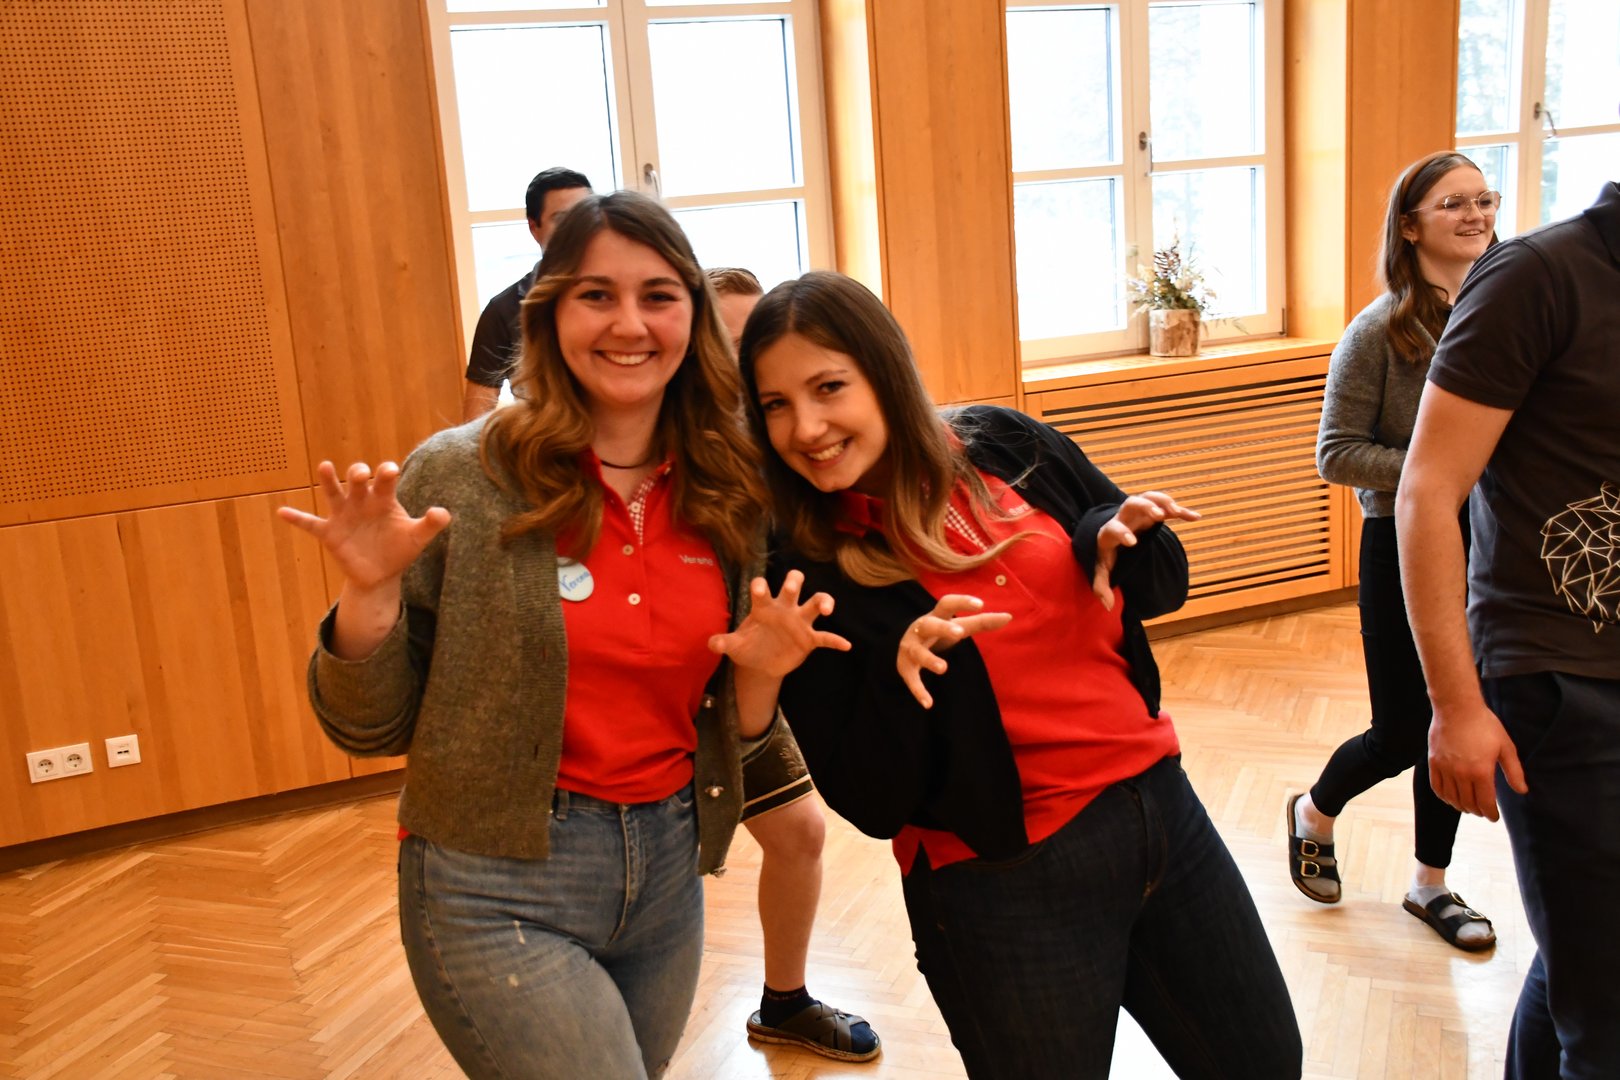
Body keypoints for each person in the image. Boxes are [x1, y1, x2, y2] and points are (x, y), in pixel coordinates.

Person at [279, 190, 850, 1079]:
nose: (629, 323)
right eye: (596, 295)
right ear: (549, 314)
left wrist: (766, 675)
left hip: (668, 874)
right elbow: (368, 725)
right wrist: (370, 592)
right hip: (493, 881)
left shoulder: (730, 485)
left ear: (693, 319)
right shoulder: (462, 474)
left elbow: (734, 728)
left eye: (658, 295)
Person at [720, 269, 1303, 1079]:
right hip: (1003, 886)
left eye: (828, 388)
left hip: (1163, 815)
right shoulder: (800, 565)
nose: (807, 427)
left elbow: (1163, 587)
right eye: (776, 405)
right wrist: (901, 678)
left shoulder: (1005, 441)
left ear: (884, 374)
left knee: (1265, 1063)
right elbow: (871, 803)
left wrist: (1119, 537)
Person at [1398, 178, 1620, 1078]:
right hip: (1562, 682)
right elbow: (1426, 490)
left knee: (1586, 954)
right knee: (1608, 1017)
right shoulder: (1540, 275)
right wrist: (1456, 707)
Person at [1288, 151, 1499, 950]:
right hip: (1401, 543)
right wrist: (1439, 470)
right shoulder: (1377, 332)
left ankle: (1430, 885)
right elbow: (1336, 453)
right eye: (1454, 203)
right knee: (1404, 732)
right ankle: (1314, 812)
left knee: (1460, 715)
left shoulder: (1504, 315)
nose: (1476, 215)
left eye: (1484, 199)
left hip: (1489, 543)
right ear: (1409, 227)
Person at [704, 264, 881, 1063]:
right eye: (725, 347)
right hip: (665, 697)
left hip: (748, 685)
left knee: (800, 832)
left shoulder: (791, 450)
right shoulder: (669, 447)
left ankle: (784, 1002)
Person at [462, 166, 592, 420]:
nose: (576, 230)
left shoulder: (621, 296)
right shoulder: (503, 310)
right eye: (562, 220)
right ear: (534, 227)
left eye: (585, 217)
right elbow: (473, 420)